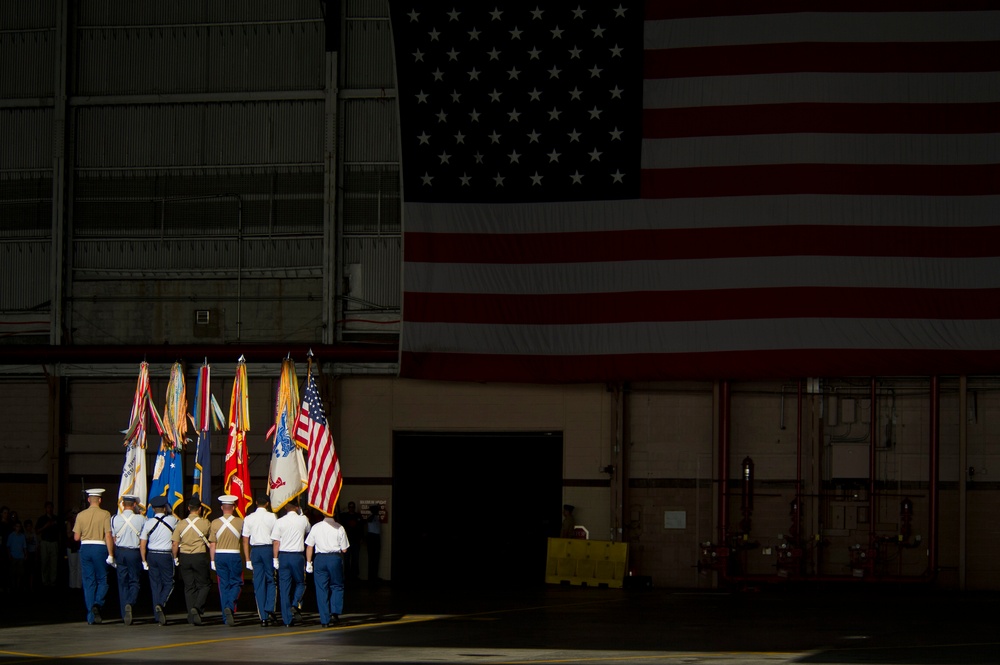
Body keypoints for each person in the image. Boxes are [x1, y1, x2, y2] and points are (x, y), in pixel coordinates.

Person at [73, 488, 114, 625]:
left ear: (89, 500)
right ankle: (98, 603)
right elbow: (108, 535)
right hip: (100, 547)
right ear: (100, 500)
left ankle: (91, 615)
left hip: (85, 547)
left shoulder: (80, 515)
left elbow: (76, 537)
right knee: (103, 579)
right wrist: (111, 554)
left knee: (88, 581)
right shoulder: (105, 514)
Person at [270, 498, 310, 627]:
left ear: (286, 507)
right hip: (297, 556)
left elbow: (276, 542)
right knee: (301, 583)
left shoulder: (280, 521)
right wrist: (302, 514)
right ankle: (295, 603)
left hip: (283, 556)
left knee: (284, 588)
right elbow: (308, 530)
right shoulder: (303, 520)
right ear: (297, 507)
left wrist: (275, 558)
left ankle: (287, 620)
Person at [171, 496, 211, 625]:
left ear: (188, 508)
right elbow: (211, 540)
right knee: (204, 585)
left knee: (189, 587)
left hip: (185, 556)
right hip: (199, 555)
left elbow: (175, 543)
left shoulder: (180, 523)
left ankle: (191, 615)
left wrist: (175, 557)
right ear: (199, 509)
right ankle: (197, 607)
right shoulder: (205, 523)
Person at [305, 514, 350, 627]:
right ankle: (335, 612)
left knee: (321, 589)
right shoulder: (339, 527)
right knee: (336, 585)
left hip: (319, 558)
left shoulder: (316, 527)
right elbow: (344, 549)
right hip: (334, 558)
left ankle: (324, 620)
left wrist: (308, 562)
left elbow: (309, 546)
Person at [139, 496, 177, 626]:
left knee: (155, 585)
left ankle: (157, 615)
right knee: (169, 583)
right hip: (165, 555)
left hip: (152, 555)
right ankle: (161, 603)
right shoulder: (173, 520)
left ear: (153, 509)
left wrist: (144, 560)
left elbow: (142, 543)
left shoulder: (148, 522)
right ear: (165, 507)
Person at [242, 493, 277, 627]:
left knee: (259, 583)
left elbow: (245, 540)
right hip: (268, 549)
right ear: (267, 504)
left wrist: (247, 559)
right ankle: (270, 606)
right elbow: (276, 539)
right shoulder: (272, 517)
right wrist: (275, 557)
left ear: (256, 503)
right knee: (271, 580)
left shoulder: (249, 518)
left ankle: (263, 616)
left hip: (255, 550)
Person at [209, 495, 244, 627]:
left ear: (222, 507)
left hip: (219, 555)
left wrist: (212, 561)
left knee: (223, 586)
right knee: (236, 583)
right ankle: (230, 605)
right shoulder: (240, 522)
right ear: (234, 508)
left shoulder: (215, 523)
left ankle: (225, 616)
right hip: (234, 555)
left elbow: (212, 544)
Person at [111, 495, 144, 625]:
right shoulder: (141, 519)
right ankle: (130, 602)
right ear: (134, 505)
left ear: (123, 504)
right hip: (134, 552)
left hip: (120, 551)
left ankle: (124, 612)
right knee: (134, 581)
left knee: (122, 582)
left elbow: (113, 539)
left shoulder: (114, 518)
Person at [35, 501, 61, 588]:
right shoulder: (42, 519)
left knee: (54, 563)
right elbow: (37, 531)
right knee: (44, 562)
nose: (49, 509)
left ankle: (53, 581)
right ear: (45, 509)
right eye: (48, 507)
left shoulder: (56, 518)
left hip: (54, 542)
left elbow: (60, 531)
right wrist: (46, 526)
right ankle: (44, 581)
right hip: (45, 542)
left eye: (51, 507)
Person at [341, 501, 363, 582]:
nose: (351, 508)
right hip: (347, 542)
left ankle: (354, 576)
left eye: (352, 507)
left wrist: (361, 538)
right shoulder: (344, 516)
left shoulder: (358, 516)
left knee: (355, 559)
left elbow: (361, 528)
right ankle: (347, 576)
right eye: (350, 507)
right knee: (346, 560)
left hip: (356, 541)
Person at [6, 520, 26, 591]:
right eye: (17, 526)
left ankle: (17, 587)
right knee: (12, 573)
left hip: (20, 557)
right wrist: (9, 555)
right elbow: (8, 546)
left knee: (20, 573)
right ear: (15, 527)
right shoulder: (11, 535)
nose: (18, 528)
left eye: (19, 527)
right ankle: (13, 587)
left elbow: (24, 547)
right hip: (13, 556)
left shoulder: (22, 536)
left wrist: (25, 555)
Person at [365, 503, 382, 585]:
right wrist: (374, 512)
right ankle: (371, 578)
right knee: (372, 558)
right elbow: (368, 521)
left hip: (376, 537)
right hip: (372, 538)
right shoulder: (371, 517)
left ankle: (374, 576)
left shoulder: (376, 517)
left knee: (376, 558)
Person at [66, 508, 82, 590]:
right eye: (74, 513)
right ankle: (72, 585)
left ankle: (78, 585)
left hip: (79, 546)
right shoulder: (70, 523)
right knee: (73, 567)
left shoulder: (81, 522)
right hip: (72, 546)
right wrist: (75, 529)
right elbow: (68, 535)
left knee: (79, 567)